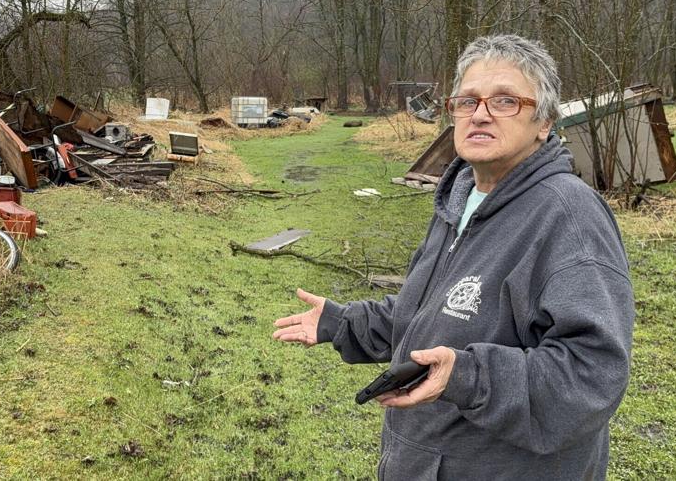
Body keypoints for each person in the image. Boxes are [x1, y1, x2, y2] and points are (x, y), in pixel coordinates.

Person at [272, 34, 635, 480]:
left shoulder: (568, 216)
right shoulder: (460, 199)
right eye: (467, 101)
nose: (480, 114)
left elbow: (591, 376)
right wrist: (341, 322)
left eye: (504, 101)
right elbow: (426, 313)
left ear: (543, 122)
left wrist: (466, 375)